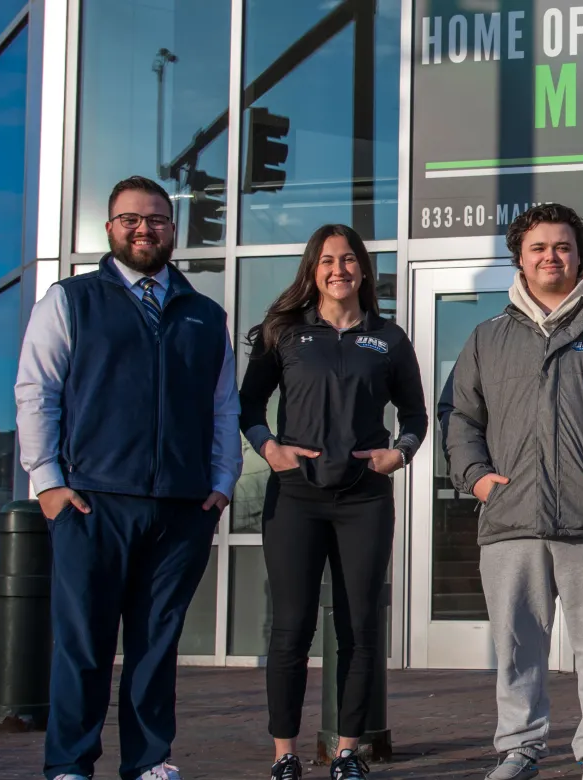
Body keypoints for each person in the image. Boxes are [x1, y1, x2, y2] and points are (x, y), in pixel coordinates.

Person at [15, 175, 240, 780]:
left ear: (173, 229)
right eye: (130, 219)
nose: (145, 229)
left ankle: (149, 762)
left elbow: (223, 408)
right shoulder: (69, 301)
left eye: (157, 219)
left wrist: (222, 482)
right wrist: (48, 482)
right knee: (83, 643)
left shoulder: (205, 315)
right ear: (110, 228)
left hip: (181, 508)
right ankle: (70, 763)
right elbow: (37, 393)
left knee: (156, 647)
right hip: (91, 503)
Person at [439, 203, 583, 780]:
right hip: (511, 519)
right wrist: (478, 479)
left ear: (579, 256)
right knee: (517, 651)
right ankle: (519, 748)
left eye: (562, 247)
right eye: (539, 247)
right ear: (520, 256)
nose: (551, 257)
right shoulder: (488, 338)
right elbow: (458, 416)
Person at [238, 225, 427, 780]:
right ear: (312, 271)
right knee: (291, 628)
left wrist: (402, 454)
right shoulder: (284, 333)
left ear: (363, 270)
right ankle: (284, 755)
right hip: (296, 496)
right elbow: (247, 404)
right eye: (326, 261)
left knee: (359, 627)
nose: (338, 269)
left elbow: (414, 415)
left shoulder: (388, 338)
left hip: (365, 498)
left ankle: (347, 751)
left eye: (348, 260)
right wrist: (267, 447)